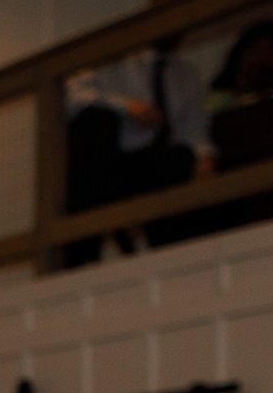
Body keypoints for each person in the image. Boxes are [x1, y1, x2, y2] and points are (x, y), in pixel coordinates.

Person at [63, 34, 214, 265]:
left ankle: (173, 258)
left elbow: (194, 128)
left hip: (156, 162)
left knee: (183, 157)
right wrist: (126, 107)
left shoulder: (186, 74)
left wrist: (204, 155)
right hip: (114, 161)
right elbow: (72, 95)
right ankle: (81, 254)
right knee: (95, 124)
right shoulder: (116, 58)